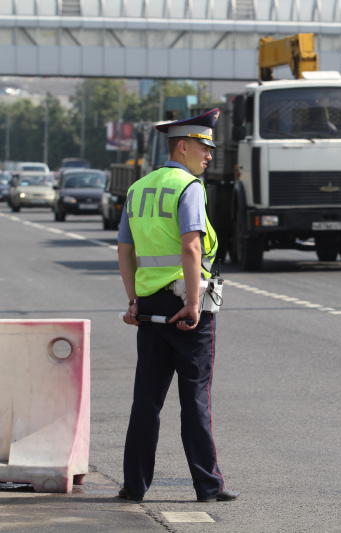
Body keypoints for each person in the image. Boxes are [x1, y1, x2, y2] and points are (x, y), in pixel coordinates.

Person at [115, 108, 238, 503]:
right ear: (182, 146)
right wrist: (194, 303)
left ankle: (134, 486)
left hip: (149, 305)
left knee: (146, 401)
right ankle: (208, 485)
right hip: (186, 304)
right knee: (195, 397)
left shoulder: (138, 188)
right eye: (203, 147)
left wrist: (133, 299)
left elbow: (124, 248)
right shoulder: (189, 188)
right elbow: (191, 246)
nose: (209, 156)